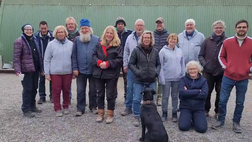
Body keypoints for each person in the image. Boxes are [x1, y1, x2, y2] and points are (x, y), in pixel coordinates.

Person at [212, 19, 252, 133]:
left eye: (244, 27)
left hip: (243, 78)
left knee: (240, 102)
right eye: (239, 27)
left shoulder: (251, 42)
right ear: (236, 29)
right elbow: (221, 56)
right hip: (228, 77)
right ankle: (220, 120)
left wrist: (249, 68)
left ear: (247, 29)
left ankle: (236, 122)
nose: (241, 29)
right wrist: (226, 67)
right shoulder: (228, 41)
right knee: (223, 100)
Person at [129, 31, 161, 127]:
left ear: (151, 39)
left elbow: (158, 64)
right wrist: (138, 72)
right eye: (145, 38)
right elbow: (131, 64)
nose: (147, 39)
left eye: (148, 38)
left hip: (151, 80)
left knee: (152, 100)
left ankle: (151, 116)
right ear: (142, 39)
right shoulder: (136, 50)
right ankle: (137, 116)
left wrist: (156, 72)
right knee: (136, 99)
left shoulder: (155, 51)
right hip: (139, 80)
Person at [93, 26, 122, 124]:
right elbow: (93, 56)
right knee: (99, 93)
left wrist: (108, 64)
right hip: (99, 73)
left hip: (111, 74)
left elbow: (120, 60)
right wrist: (99, 62)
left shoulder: (118, 46)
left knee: (110, 95)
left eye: (111, 33)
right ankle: (100, 113)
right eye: (107, 33)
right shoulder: (99, 45)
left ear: (114, 35)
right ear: (104, 34)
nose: (109, 35)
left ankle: (110, 114)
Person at [198, 20, 227, 118]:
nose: (218, 30)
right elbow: (200, 55)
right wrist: (204, 64)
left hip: (222, 73)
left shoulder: (227, 41)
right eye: (216, 28)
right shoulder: (206, 41)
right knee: (206, 92)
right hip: (208, 72)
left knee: (220, 93)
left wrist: (226, 66)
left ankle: (218, 111)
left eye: (220, 28)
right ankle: (206, 109)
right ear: (213, 29)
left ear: (223, 29)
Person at [13, 24, 43, 118]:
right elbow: (16, 58)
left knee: (34, 88)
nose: (29, 31)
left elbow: (39, 55)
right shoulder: (19, 41)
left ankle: (32, 106)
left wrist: (41, 68)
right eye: (27, 29)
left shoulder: (35, 39)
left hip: (35, 69)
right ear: (23, 30)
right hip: (26, 70)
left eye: (30, 29)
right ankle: (26, 109)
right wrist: (18, 70)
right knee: (27, 89)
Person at [72, 19, 100, 116]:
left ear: (90, 29)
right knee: (80, 90)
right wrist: (75, 68)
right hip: (80, 70)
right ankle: (80, 108)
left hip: (93, 70)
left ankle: (93, 106)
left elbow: (99, 54)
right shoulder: (77, 40)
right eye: (82, 28)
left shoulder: (97, 39)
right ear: (80, 30)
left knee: (93, 90)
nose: (84, 30)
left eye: (86, 28)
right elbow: (74, 55)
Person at [44, 25, 73, 117]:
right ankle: (57, 108)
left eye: (62, 32)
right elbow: (47, 59)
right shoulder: (51, 44)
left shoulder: (71, 44)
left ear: (65, 33)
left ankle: (65, 106)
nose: (61, 33)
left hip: (68, 72)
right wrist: (47, 73)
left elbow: (73, 58)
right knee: (56, 91)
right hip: (55, 72)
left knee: (66, 90)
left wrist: (74, 71)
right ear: (55, 34)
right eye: (59, 32)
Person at [121, 19, 145, 116]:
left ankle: (141, 108)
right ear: (135, 26)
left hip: (143, 68)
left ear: (144, 27)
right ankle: (128, 107)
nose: (139, 27)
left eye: (141, 25)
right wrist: (125, 64)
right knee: (130, 88)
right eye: (138, 25)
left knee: (142, 89)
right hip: (131, 67)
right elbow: (126, 51)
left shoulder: (147, 37)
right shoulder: (130, 37)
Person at [159, 33, 185, 122]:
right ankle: (164, 113)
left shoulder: (179, 51)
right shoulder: (163, 51)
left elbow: (182, 64)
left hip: (177, 78)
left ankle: (174, 113)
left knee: (175, 96)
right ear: (168, 40)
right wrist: (161, 77)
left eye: (174, 39)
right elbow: (160, 66)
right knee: (165, 96)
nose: (172, 40)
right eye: (171, 39)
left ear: (177, 41)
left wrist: (183, 76)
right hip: (166, 78)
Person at [178, 61, 208, 133]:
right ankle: (188, 118)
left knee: (202, 129)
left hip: (199, 108)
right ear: (187, 71)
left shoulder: (203, 81)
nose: (192, 71)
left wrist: (188, 92)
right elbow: (182, 93)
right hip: (186, 107)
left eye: (194, 69)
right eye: (190, 69)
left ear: (198, 70)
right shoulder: (183, 79)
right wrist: (198, 91)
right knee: (183, 127)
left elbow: (204, 95)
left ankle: (194, 119)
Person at [35, 21, 54, 104]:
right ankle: (42, 97)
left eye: (45, 28)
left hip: (52, 62)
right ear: (39, 28)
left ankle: (52, 96)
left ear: (48, 27)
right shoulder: (35, 37)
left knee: (52, 79)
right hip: (40, 61)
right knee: (41, 80)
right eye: (42, 28)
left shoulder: (53, 36)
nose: (43, 30)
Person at [114, 17, 132, 102]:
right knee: (114, 79)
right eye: (118, 24)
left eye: (122, 24)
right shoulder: (113, 33)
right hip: (116, 59)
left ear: (124, 25)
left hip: (126, 59)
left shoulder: (130, 33)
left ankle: (126, 97)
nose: (120, 25)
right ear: (116, 26)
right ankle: (113, 97)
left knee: (127, 80)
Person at [153, 17, 170, 106]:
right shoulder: (152, 35)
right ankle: (153, 96)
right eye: (157, 23)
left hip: (164, 62)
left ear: (164, 24)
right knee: (153, 79)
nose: (159, 25)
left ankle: (159, 98)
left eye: (161, 23)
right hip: (153, 61)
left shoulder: (168, 35)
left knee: (161, 81)